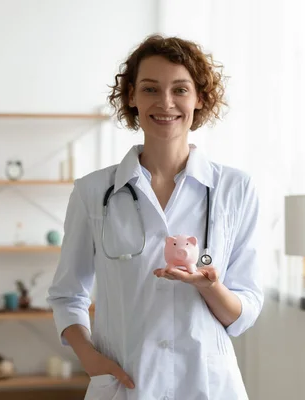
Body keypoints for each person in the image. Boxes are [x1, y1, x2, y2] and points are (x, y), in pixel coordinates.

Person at [47, 34, 263, 400]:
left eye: (180, 89)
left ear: (200, 98)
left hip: (207, 386)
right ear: (131, 96)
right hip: (126, 383)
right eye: (150, 89)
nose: (165, 103)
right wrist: (92, 361)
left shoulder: (235, 189)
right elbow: (68, 295)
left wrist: (209, 287)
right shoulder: (93, 192)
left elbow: (244, 311)